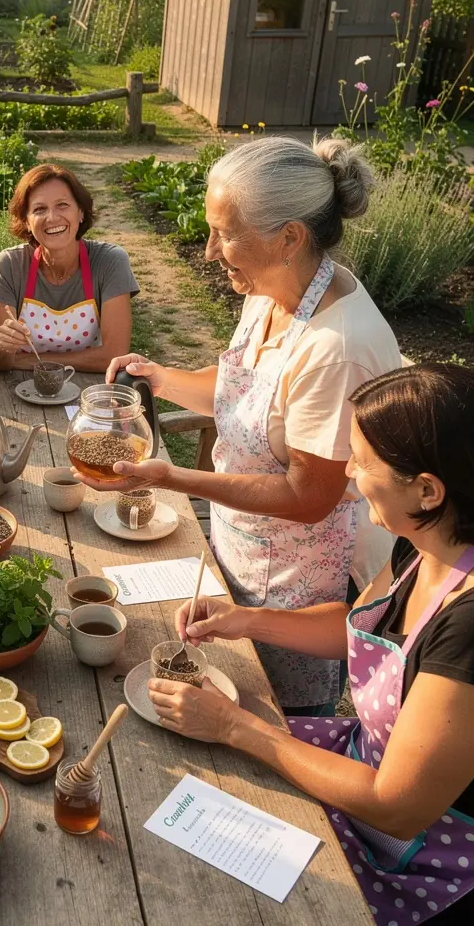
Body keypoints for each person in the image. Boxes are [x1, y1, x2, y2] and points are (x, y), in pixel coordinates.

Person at [77, 136, 402, 714]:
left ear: (289, 238)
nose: (209, 252)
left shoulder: (338, 348)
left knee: (268, 721)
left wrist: (173, 478)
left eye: (224, 234)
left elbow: (310, 497)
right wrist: (161, 377)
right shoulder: (273, 290)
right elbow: (246, 392)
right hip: (241, 555)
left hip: (299, 584)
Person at [150, 364, 474, 924]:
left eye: (362, 462)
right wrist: (247, 620)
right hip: (356, 772)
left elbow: (396, 806)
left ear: (427, 490)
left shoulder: (466, 629)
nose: (347, 472)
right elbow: (358, 627)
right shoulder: (424, 543)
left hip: (414, 856)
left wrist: (233, 725)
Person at [0, 163, 137, 372]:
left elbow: (113, 355)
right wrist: (5, 348)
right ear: (26, 221)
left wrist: (26, 361)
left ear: (81, 212)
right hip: (21, 387)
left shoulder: (110, 262)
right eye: (39, 209)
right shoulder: (9, 265)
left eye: (62, 205)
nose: (52, 218)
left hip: (91, 387)